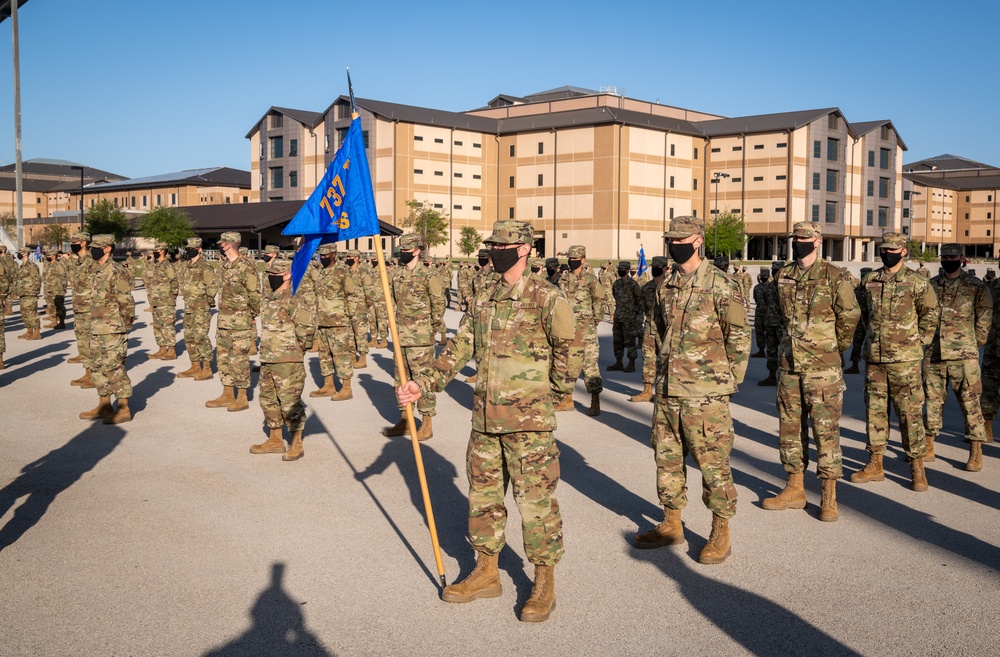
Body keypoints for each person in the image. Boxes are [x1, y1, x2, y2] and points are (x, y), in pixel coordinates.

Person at [397, 220, 579, 622]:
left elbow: (569, 355)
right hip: (484, 421)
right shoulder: (485, 297)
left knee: (536, 506)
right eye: (492, 245)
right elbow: (459, 347)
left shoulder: (548, 297)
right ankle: (486, 571)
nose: (495, 251)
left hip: (529, 425)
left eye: (502, 245)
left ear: (524, 250)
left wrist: (542, 397)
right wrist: (422, 384)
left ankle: (544, 582)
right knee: (484, 500)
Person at [633, 216, 749, 564]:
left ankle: (721, 529)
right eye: (670, 239)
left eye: (681, 239)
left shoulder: (721, 284)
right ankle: (672, 522)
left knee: (713, 463)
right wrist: (653, 378)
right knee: (666, 459)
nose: (674, 244)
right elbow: (654, 332)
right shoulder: (664, 286)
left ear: (698, 240)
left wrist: (727, 382)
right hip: (668, 389)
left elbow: (740, 338)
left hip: (705, 394)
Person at [763, 223, 859, 522]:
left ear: (817, 241)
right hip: (789, 366)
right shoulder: (783, 275)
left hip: (822, 369)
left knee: (825, 432)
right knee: (790, 430)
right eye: (795, 239)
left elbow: (850, 315)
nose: (798, 243)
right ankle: (795, 489)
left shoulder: (834, 275)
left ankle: (828, 496)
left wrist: (832, 347)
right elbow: (781, 316)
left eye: (804, 239)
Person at [852, 232, 939, 491]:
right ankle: (875, 462)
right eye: (883, 249)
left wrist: (916, 342)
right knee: (875, 411)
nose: (886, 253)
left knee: (909, 414)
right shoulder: (869, 280)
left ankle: (917, 467)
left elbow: (930, 314)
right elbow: (864, 314)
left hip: (906, 361)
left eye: (891, 249)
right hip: (875, 358)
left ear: (903, 251)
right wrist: (875, 338)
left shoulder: (917, 282)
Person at [923, 244, 992, 471]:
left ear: (962, 259)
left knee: (970, 404)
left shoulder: (975, 286)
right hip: (934, 354)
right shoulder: (931, 285)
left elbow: (984, 316)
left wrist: (973, 342)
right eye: (945, 257)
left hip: (964, 355)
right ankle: (929, 444)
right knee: (932, 402)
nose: (948, 260)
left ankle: (975, 449)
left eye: (953, 256)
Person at [249, 257, 315, 461]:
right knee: (268, 401)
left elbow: (307, 330)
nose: (271, 279)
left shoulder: (296, 298)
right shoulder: (268, 298)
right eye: (269, 275)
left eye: (275, 275)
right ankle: (275, 439)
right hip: (268, 358)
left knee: (290, 403)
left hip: (288, 360)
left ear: (287, 275)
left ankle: (296, 442)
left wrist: (295, 351)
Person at [383, 234, 444, 440]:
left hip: (420, 339)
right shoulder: (396, 275)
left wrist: (430, 330)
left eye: (407, 250)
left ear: (417, 250)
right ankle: (405, 419)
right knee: (400, 379)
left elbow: (438, 306)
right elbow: (391, 301)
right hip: (401, 337)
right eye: (402, 250)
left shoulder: (429, 276)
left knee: (422, 379)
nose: (403, 254)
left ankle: (427, 421)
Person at [79, 234, 134, 424]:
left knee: (114, 368)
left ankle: (124, 408)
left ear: (108, 249)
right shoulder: (96, 271)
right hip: (96, 328)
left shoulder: (116, 272)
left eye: (97, 247)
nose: (93, 250)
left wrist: (123, 329)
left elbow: (127, 303)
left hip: (112, 330)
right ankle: (104, 405)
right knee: (97, 368)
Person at [204, 232, 260, 411]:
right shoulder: (223, 266)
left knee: (239, 360)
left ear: (228, 245)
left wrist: (249, 315)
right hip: (223, 322)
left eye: (222, 243)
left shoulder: (246, 267)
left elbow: (255, 296)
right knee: (223, 358)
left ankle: (242, 396)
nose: (220, 246)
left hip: (240, 323)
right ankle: (228, 393)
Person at [556, 245, 605, 415]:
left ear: (583, 260)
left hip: (587, 330)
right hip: (569, 330)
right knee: (569, 364)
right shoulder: (563, 279)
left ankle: (595, 400)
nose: (572, 261)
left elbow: (599, 302)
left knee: (590, 366)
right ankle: (567, 399)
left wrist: (593, 322)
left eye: (576, 259)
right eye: (570, 258)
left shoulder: (591, 280)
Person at [311, 242, 357, 401]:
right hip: (322, 320)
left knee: (341, 355)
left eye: (325, 255)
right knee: (324, 355)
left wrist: (349, 317)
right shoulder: (321, 272)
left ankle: (346, 387)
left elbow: (351, 295)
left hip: (338, 321)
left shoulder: (343, 271)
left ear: (333, 254)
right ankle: (328, 385)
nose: (322, 258)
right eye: (321, 255)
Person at [177, 237, 218, 381]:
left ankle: (206, 368)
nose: (190, 251)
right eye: (188, 248)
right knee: (189, 337)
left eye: (193, 248)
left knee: (200, 337)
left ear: (199, 250)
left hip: (201, 309)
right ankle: (195, 366)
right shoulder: (187, 266)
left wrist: (205, 303)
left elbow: (212, 288)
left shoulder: (205, 267)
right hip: (189, 308)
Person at [630, 256, 669, 402]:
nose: (656, 269)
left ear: (666, 268)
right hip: (650, 328)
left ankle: (664, 392)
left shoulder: (672, 287)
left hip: (666, 330)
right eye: (654, 266)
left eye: (659, 266)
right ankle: (647, 390)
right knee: (648, 359)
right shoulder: (646, 288)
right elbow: (642, 308)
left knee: (667, 360)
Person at [67, 232, 99, 387]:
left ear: (84, 242)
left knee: (90, 341)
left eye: (75, 241)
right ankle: (87, 373)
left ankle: (95, 375)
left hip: (89, 308)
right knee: (82, 341)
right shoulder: (79, 261)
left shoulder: (91, 261)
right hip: (79, 307)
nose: (72, 243)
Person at [145, 241, 179, 360]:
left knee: (167, 325)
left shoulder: (167, 265)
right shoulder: (155, 265)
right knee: (158, 326)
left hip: (166, 301)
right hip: (156, 301)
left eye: (157, 250)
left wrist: (173, 297)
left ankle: (172, 350)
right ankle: (162, 348)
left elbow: (174, 282)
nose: (154, 252)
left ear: (163, 251)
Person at [609, 260, 642, 372]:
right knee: (617, 341)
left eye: (623, 269)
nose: (621, 271)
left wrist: (638, 318)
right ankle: (619, 362)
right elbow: (615, 297)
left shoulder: (633, 285)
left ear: (628, 270)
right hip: (618, 317)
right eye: (620, 269)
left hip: (629, 318)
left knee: (630, 342)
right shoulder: (616, 284)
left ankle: (631, 363)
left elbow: (639, 301)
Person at [343, 249, 371, 369]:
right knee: (349, 333)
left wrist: (365, 305)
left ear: (356, 258)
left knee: (360, 334)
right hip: (347, 307)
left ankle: (363, 358)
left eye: (350, 256)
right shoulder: (345, 272)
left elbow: (369, 291)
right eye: (347, 256)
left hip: (359, 308)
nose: (347, 258)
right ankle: (352, 356)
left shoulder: (363, 273)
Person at [759, 261, 784, 385]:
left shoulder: (787, 286)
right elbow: (763, 301)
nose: (775, 272)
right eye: (773, 270)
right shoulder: (769, 286)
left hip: (782, 324)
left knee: (785, 352)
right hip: (770, 322)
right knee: (771, 351)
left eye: (777, 270)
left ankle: (785, 378)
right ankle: (772, 376)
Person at [844, 267, 872, 374]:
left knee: (870, 344)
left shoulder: (874, 290)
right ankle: (855, 365)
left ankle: (868, 366)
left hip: (870, 321)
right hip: (861, 321)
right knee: (857, 343)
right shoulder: (858, 290)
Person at [15, 247, 41, 340]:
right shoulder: (22, 265)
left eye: (20, 252)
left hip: (30, 293)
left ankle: (37, 332)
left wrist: (36, 292)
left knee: (31, 313)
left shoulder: (32, 266)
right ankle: (29, 331)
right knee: (24, 313)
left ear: (25, 253)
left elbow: (37, 279)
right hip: (23, 293)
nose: (18, 254)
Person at [42, 248, 68, 330]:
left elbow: (63, 277)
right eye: (47, 255)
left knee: (59, 306)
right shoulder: (48, 264)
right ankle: (54, 321)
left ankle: (61, 322)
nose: (48, 257)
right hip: (48, 288)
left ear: (54, 256)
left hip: (57, 289)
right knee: (50, 305)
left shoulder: (58, 265)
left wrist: (64, 288)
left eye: (49, 255)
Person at [751, 267, 769, 357]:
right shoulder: (757, 287)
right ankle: (761, 350)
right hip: (759, 314)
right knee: (759, 332)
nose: (763, 277)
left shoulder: (771, 287)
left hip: (768, 314)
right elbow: (755, 298)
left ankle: (771, 351)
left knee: (770, 334)